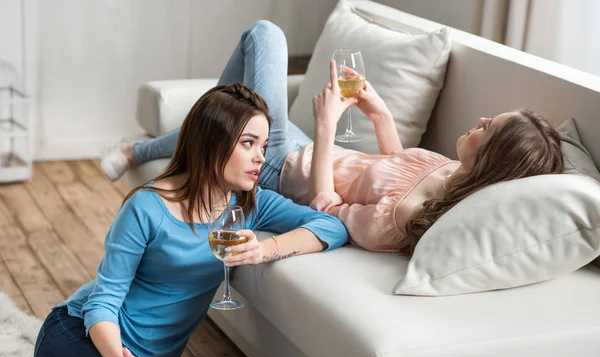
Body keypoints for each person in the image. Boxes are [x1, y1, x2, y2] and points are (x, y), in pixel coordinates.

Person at [33, 29, 349, 357]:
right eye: (248, 144)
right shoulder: (146, 207)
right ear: (212, 142)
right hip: (79, 338)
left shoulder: (250, 204)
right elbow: (103, 303)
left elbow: (331, 225)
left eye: (263, 145)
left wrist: (264, 250)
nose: (261, 157)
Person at [101, 20, 563, 257]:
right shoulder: (453, 176)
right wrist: (379, 112)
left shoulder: (404, 218)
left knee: (263, 35)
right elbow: (401, 164)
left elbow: (325, 208)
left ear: (493, 160)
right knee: (225, 125)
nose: (479, 119)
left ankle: (151, 145)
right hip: (305, 150)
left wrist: (325, 127)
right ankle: (137, 150)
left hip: (284, 168)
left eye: (488, 128)